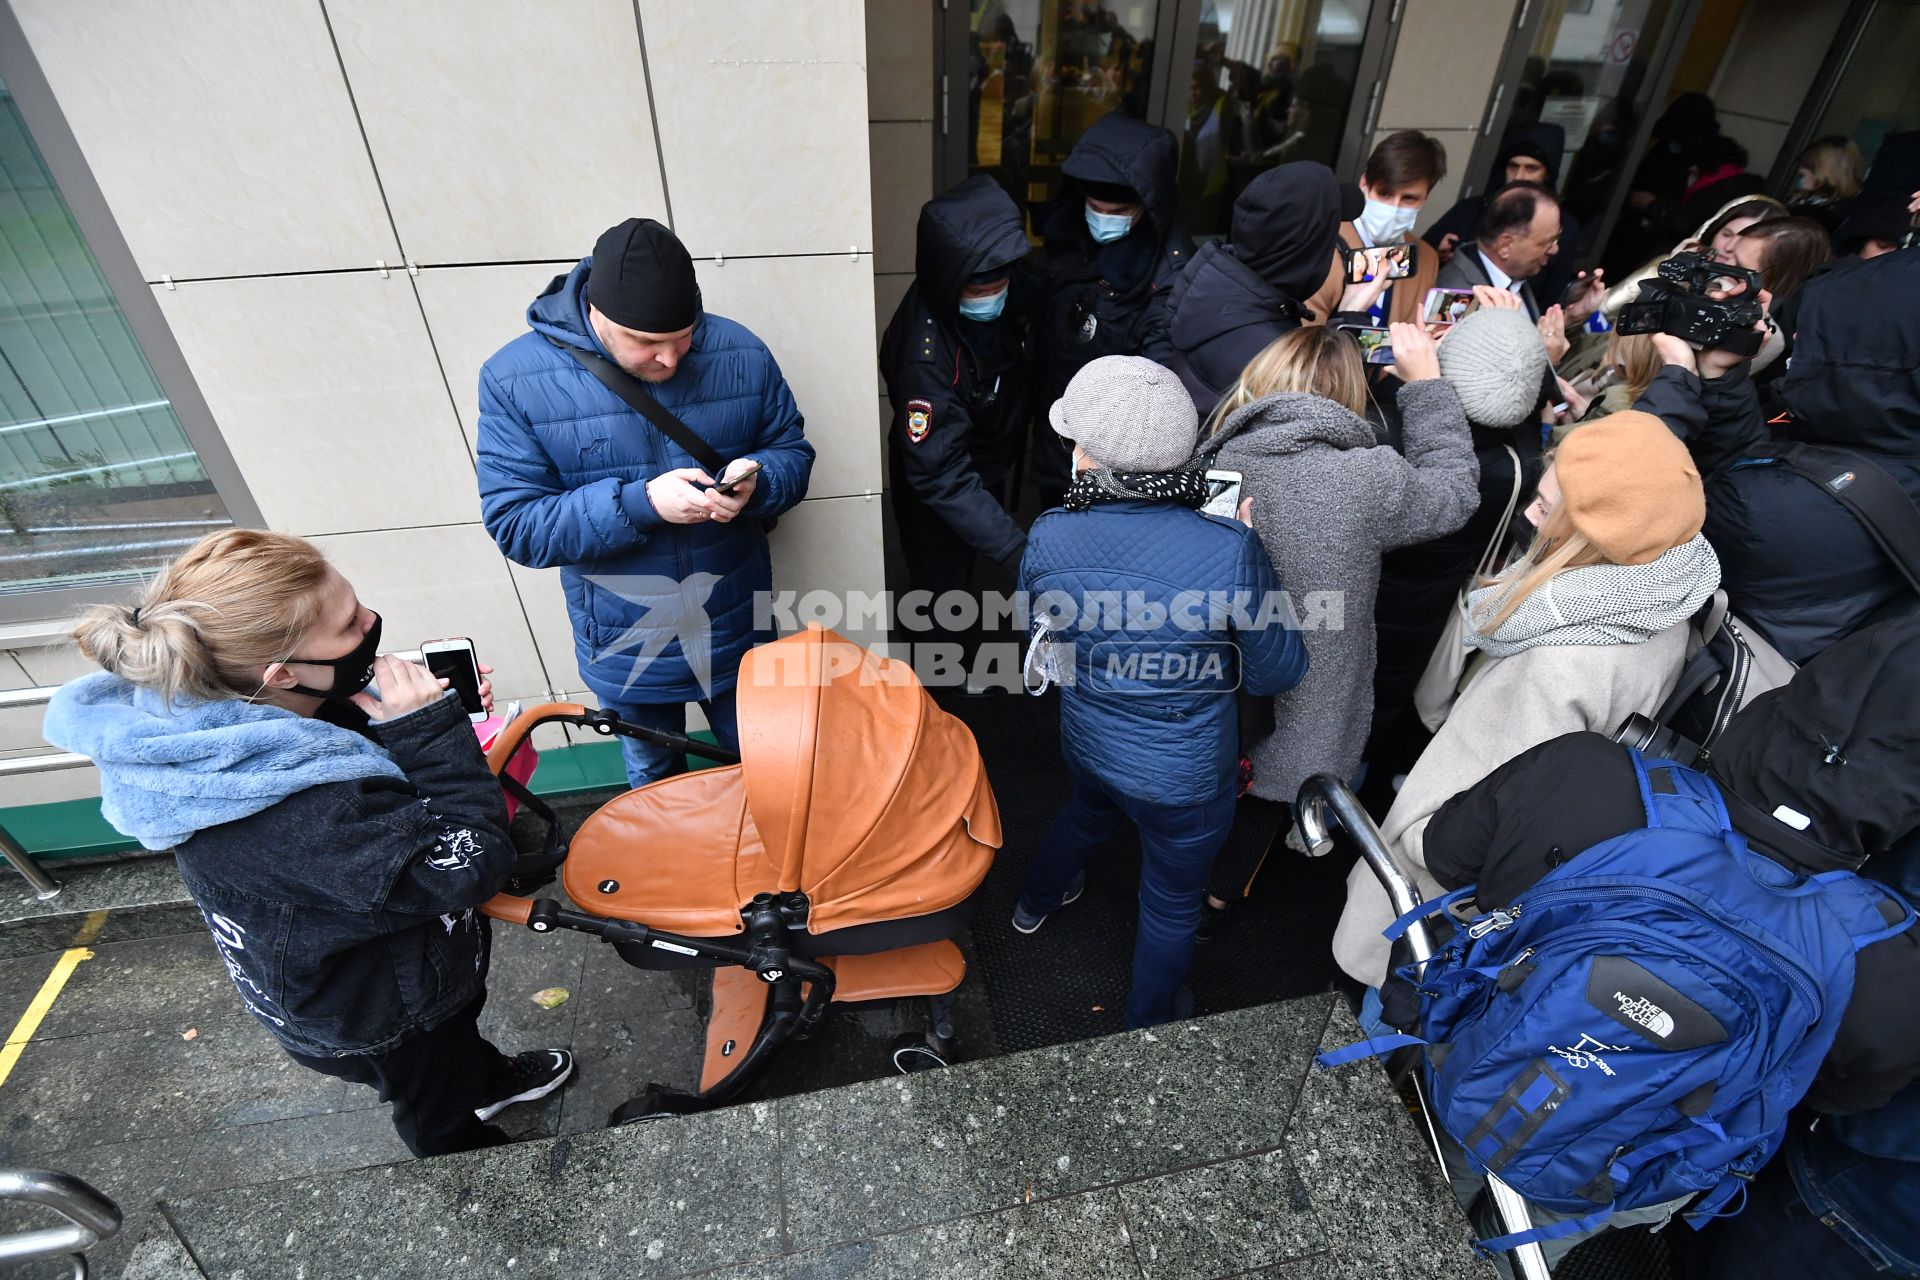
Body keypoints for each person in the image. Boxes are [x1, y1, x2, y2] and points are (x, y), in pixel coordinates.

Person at [41, 530, 573, 1157]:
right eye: (350, 626)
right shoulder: (299, 814)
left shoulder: (220, 716)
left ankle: (488, 1079)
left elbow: (325, 752)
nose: (373, 623)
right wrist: (434, 742)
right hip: (383, 1011)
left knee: (454, 1044)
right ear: (283, 673)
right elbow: (463, 867)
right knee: (433, 1099)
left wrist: (412, 722)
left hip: (366, 969)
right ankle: (471, 1168)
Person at [1417, 614, 1920, 1276]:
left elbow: (1447, 855)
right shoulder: (1889, 959)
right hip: (1631, 1162)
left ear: (1776, 708)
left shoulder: (1591, 772)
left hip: (1477, 1064)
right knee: (1531, 1250)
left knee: (1420, 1164)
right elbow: (1832, 1095)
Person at [1331, 410, 1721, 989]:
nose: (1530, 514)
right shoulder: (1668, 591)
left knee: (1382, 1009)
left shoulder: (1559, 662)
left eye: (1547, 507)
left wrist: (1408, 845)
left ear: (1595, 535)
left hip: (1428, 901)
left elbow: (1483, 811)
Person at [1011, 356, 1308, 1027]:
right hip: (1185, 776)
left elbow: (1042, 633)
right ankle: (1147, 1023)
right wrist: (1248, 552)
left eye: (1076, 439)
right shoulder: (1228, 547)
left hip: (1089, 740)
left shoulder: (1050, 532)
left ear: (1093, 458)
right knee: (1171, 903)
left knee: (1086, 815)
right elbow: (1275, 671)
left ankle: (1033, 903)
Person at [477, 217, 814, 788]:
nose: (671, 361)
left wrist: (763, 482)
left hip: (735, 625)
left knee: (767, 767)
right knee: (656, 780)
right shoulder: (514, 379)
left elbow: (791, 450)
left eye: (684, 338)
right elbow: (517, 525)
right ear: (597, 316)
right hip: (625, 643)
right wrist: (642, 504)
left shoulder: (739, 348)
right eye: (648, 345)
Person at [1198, 323, 1475, 921]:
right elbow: (1454, 493)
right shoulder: (1368, 478)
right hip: (1314, 685)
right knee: (1269, 795)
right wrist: (1427, 386)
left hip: (1216, 672)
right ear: (1351, 392)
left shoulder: (1212, 458)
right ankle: (1219, 897)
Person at [1364, 301, 1550, 815]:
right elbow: (1516, 412)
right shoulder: (1515, 466)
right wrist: (1526, 353)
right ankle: (1353, 791)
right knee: (1379, 708)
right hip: (1422, 618)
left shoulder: (1385, 431)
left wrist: (1412, 378)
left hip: (1356, 600)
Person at [1023, 114, 1195, 507]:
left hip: (1107, 452)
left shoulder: (1168, 273)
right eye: (1094, 206)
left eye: (1115, 212)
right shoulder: (1069, 230)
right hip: (1056, 427)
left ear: (1145, 207)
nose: (1101, 219)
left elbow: (1155, 383)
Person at [879, 175, 1034, 600]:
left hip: (987, 456)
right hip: (938, 478)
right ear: (950, 281)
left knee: (978, 573)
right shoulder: (925, 358)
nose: (993, 298)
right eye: (980, 291)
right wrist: (1018, 550)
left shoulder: (998, 278)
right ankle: (941, 666)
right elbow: (939, 473)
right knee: (943, 599)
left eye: (999, 288)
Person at [1155, 161, 1372, 417]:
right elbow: (1331, 423)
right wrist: (1350, 318)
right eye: (1328, 241)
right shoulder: (1274, 351)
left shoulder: (1208, 283)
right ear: (1308, 251)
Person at [1424, 124, 1585, 305]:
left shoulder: (1521, 285)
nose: (1519, 176)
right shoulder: (1469, 210)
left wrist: (1570, 317)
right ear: (1504, 244)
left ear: (1547, 174)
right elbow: (1436, 325)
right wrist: (1435, 254)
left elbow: (1549, 303)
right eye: (1513, 166)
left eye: (1531, 168)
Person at [1301, 131, 1447, 325]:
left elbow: (1419, 330)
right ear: (1364, 183)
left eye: (1409, 198)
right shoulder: (1322, 240)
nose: (1394, 207)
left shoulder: (1426, 258)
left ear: (1424, 199)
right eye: (1385, 193)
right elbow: (1300, 336)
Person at [1437, 182, 1604, 335]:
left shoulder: (1513, 275)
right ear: (1505, 246)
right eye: (1546, 242)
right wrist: (1546, 355)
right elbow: (1453, 367)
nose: (1555, 249)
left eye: (1556, 238)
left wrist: (1570, 317)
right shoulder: (1454, 296)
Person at [1787, 134, 1865, 234]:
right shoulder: (1855, 206)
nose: (1800, 181)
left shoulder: (1815, 212)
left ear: (1820, 174)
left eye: (1802, 175)